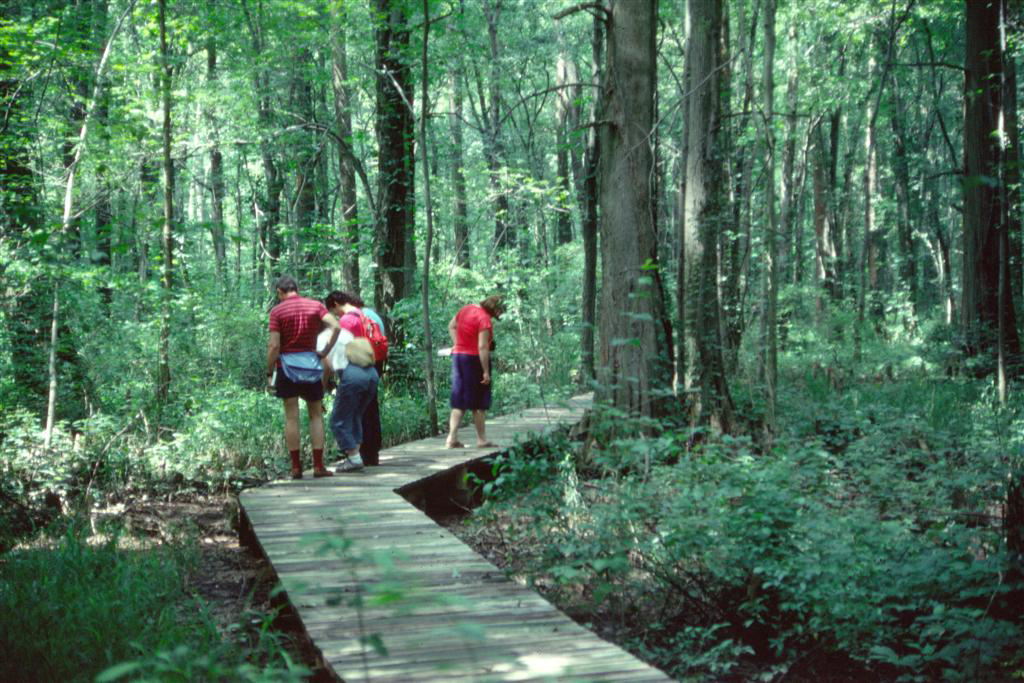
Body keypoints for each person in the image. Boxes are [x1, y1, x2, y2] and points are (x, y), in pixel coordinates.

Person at [267, 275, 340, 479]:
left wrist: (269, 371)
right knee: (315, 415)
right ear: (296, 288)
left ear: (280, 292)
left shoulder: (277, 311)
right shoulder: (315, 306)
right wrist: (325, 351)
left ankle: (296, 468)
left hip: (286, 368)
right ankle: (318, 466)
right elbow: (337, 326)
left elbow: (274, 345)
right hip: (311, 367)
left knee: (292, 417)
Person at [322, 291, 379, 473]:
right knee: (355, 416)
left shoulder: (322, 339)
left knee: (338, 421)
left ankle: (354, 458)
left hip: (352, 375)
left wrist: (323, 388)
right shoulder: (346, 330)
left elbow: (326, 367)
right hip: (371, 373)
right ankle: (357, 456)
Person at [445, 295, 504, 449]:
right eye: (500, 311)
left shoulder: (467, 309)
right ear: (495, 309)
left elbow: (451, 325)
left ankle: (452, 438)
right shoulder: (484, 320)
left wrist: (458, 344)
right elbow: (482, 347)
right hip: (474, 361)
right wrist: (485, 372)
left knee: (459, 400)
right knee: (479, 403)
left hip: (459, 358)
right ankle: (481, 440)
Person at [350, 294, 386, 466]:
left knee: (359, 408)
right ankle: (373, 452)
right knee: (372, 405)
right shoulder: (375, 316)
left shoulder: (352, 318)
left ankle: (362, 452)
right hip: (376, 363)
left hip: (359, 363)